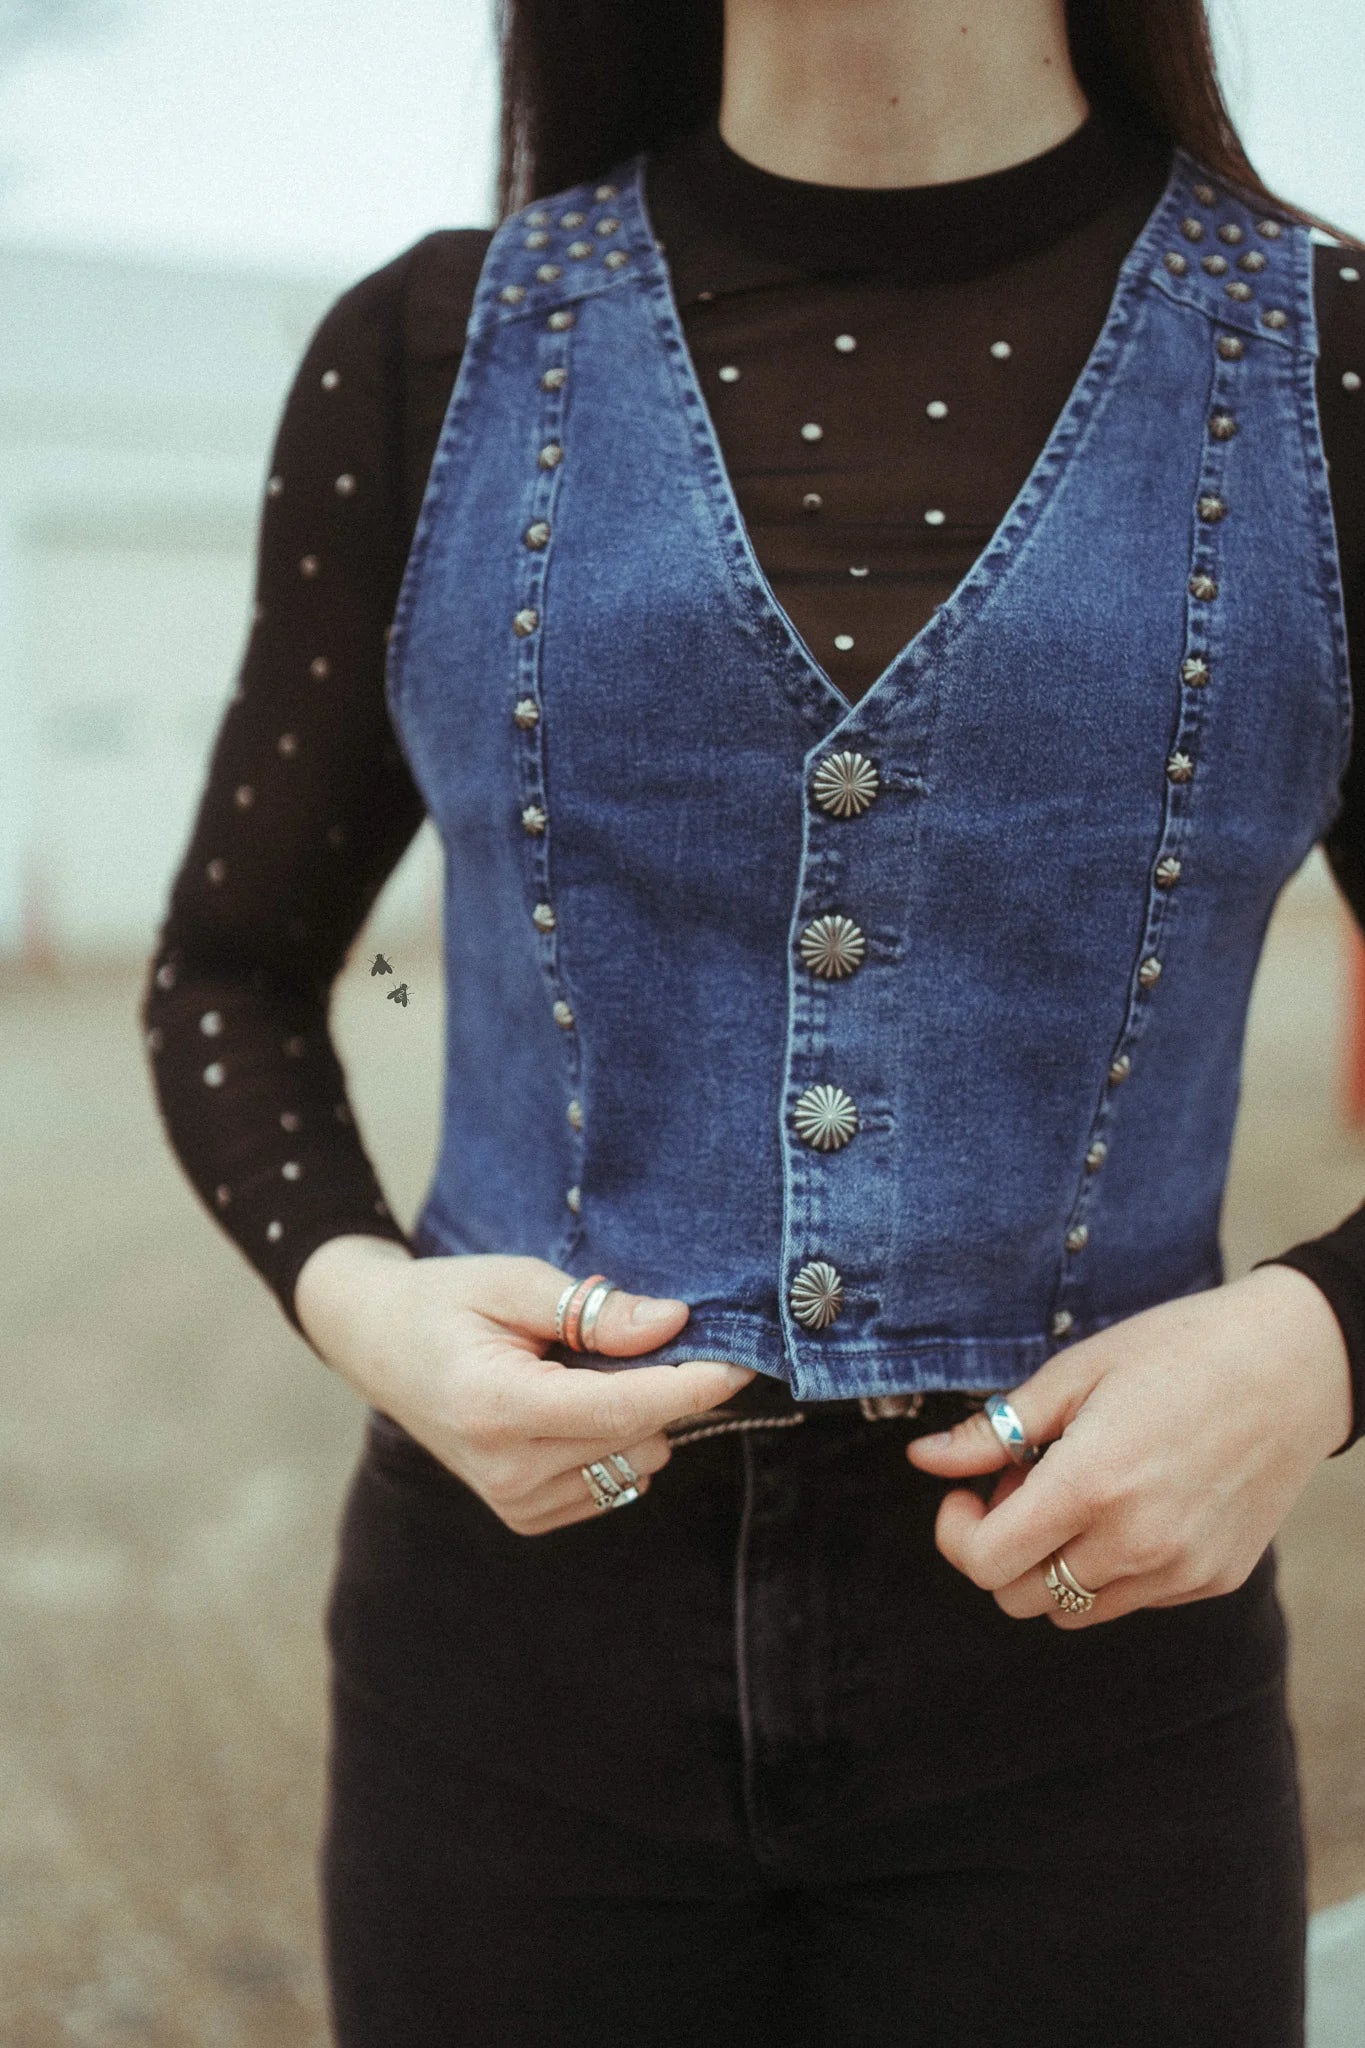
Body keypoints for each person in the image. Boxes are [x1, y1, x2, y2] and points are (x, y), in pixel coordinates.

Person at [140, 1, 1365, 2041]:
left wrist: (1313, 1342)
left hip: (1086, 1682)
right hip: (506, 1662)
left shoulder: (1324, 368)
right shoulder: (427, 352)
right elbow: (225, 972)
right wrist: (368, 1310)